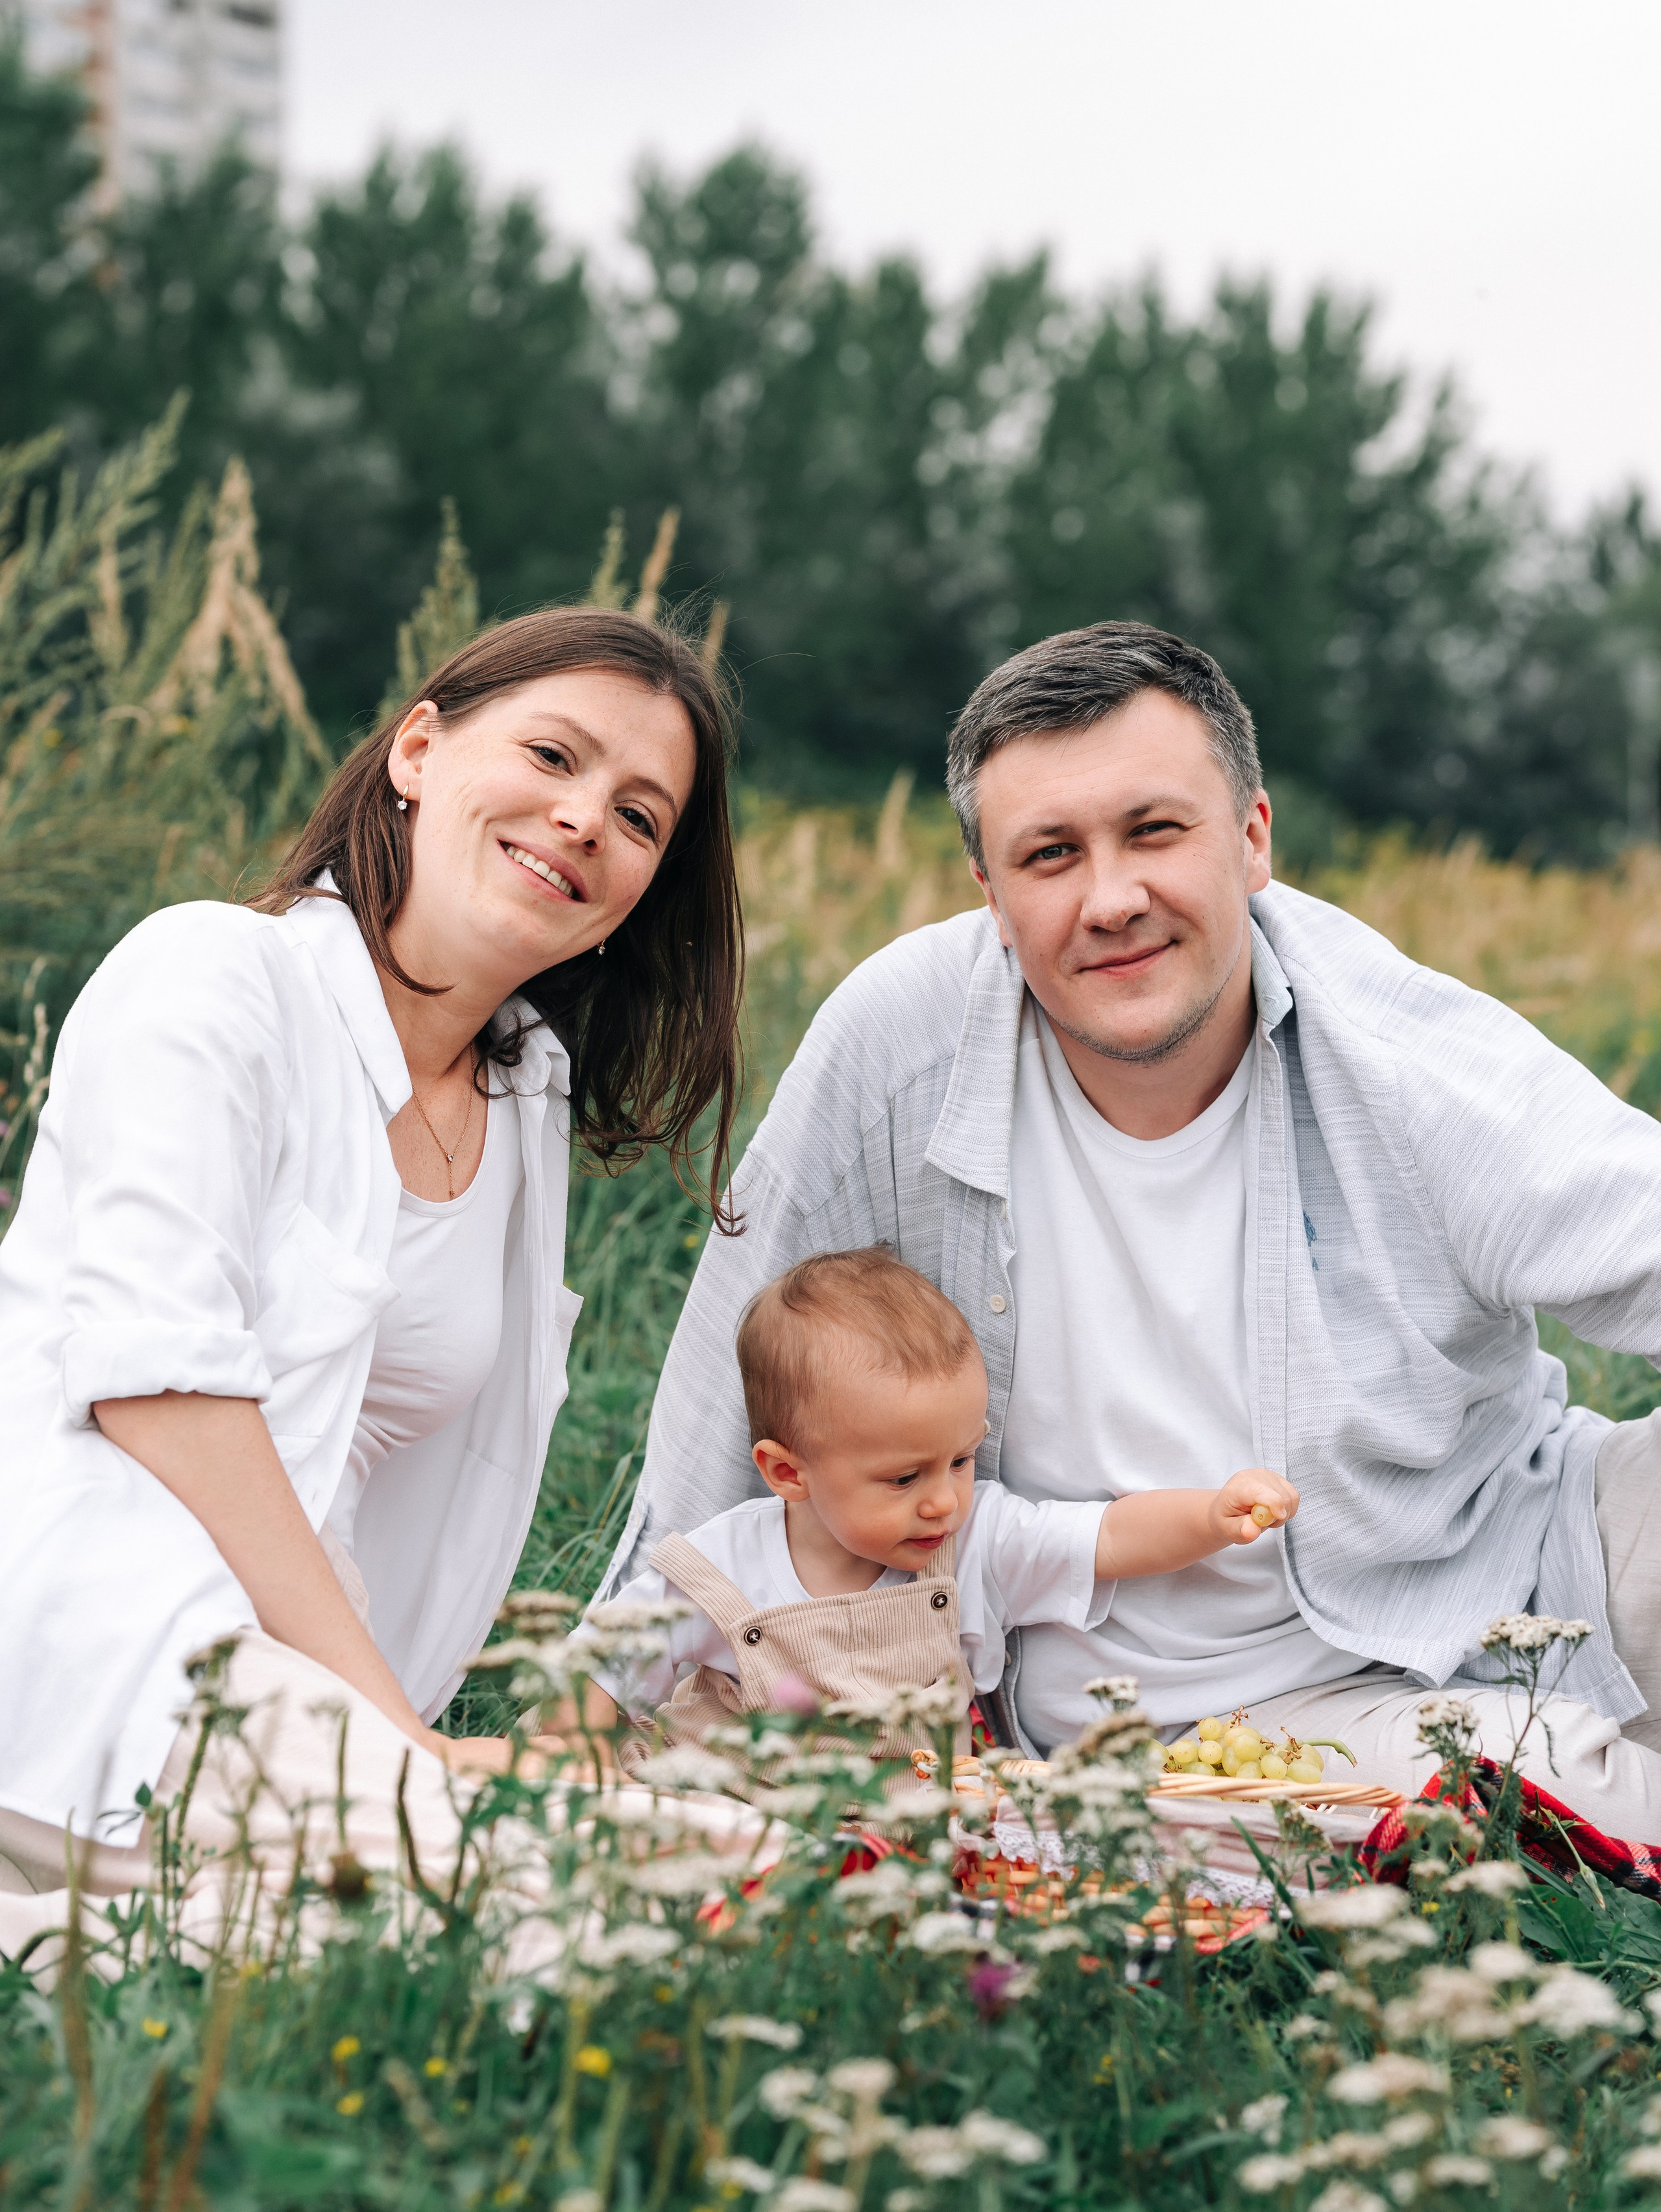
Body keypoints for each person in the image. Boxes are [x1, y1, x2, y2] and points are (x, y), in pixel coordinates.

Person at [600, 620, 1661, 1844]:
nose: (1112, 898)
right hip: (1217, 1714)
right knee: (1537, 1784)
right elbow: (732, 1392)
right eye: (1050, 854)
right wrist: (595, 1716)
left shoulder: (1403, 1051)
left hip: (1519, 1544)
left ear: (1252, 838)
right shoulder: (901, 1040)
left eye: (1155, 831)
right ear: (991, 896)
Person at [0, 606, 743, 1907]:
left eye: (639, 817)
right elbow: (157, 1387)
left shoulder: (524, 1102)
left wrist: (397, 1722)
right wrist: (390, 1731)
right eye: (554, 757)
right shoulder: (213, 974)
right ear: (417, 751)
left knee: (740, 1856)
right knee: (613, 1896)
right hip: (93, 1625)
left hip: (299, 1678)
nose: (583, 819)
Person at [569, 1246, 1296, 1756]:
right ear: (788, 1473)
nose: (943, 1500)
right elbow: (603, 1657)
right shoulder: (722, 1567)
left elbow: (1105, 1536)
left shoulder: (972, 1543)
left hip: (903, 1845)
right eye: (903, 1477)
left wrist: (1209, 1515)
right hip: (727, 1815)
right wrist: (570, 1747)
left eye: (959, 1458)